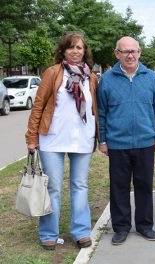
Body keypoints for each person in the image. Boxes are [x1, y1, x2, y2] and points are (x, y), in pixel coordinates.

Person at [25, 32, 99, 250]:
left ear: (85, 51)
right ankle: (48, 233)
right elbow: (38, 106)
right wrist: (32, 137)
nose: (75, 51)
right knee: (53, 188)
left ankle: (81, 231)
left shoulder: (91, 77)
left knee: (80, 185)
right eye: (71, 47)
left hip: (82, 139)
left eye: (79, 47)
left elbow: (96, 108)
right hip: (52, 139)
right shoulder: (53, 73)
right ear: (63, 50)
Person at [97, 36, 155, 245]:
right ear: (117, 53)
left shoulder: (152, 79)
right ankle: (121, 228)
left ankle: (145, 226)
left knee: (144, 185)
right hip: (117, 144)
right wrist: (103, 140)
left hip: (146, 143)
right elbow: (101, 112)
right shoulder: (107, 80)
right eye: (125, 51)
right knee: (118, 187)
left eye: (133, 51)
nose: (130, 55)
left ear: (139, 53)